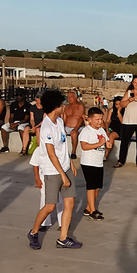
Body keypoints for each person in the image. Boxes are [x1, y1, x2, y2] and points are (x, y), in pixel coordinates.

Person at [27, 90, 81, 250]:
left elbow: (63, 146)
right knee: (50, 206)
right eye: (61, 104)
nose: (63, 106)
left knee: (69, 203)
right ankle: (34, 232)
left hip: (65, 168)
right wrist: (63, 176)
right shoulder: (46, 127)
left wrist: (70, 164)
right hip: (53, 172)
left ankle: (63, 238)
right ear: (55, 106)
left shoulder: (59, 122)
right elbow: (51, 154)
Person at [79, 106, 112, 220]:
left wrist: (108, 144)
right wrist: (99, 143)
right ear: (90, 119)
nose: (100, 121)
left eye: (101, 119)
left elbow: (106, 141)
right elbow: (84, 146)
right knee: (91, 187)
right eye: (97, 119)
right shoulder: (86, 131)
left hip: (99, 162)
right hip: (89, 162)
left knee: (97, 187)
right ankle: (92, 210)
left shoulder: (101, 130)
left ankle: (88, 208)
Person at [61, 90, 85, 159]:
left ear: (75, 97)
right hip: (67, 127)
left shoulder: (80, 106)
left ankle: (73, 152)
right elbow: (64, 119)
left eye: (71, 97)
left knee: (74, 133)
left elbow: (81, 118)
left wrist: (75, 129)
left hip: (77, 127)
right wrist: (62, 128)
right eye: (68, 97)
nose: (69, 99)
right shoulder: (66, 107)